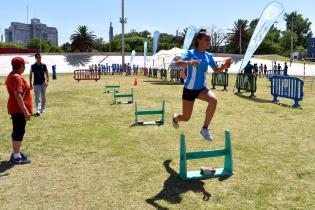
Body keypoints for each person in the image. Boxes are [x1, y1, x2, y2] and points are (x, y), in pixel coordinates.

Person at [172, 29, 232, 141]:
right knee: (186, 117)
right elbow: (177, 63)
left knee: (213, 100)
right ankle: (175, 118)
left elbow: (216, 70)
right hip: (189, 89)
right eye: (207, 39)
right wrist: (189, 62)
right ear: (199, 40)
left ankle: (204, 128)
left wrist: (224, 66)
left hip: (201, 89)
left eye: (210, 40)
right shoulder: (190, 53)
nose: (209, 42)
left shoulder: (208, 55)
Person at [6, 57, 32, 164]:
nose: (25, 67)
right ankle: (16, 156)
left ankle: (17, 152)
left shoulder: (12, 75)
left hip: (16, 108)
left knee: (18, 130)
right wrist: (25, 110)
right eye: (24, 65)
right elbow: (18, 94)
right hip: (18, 109)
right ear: (20, 66)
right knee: (19, 131)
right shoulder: (17, 78)